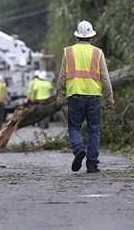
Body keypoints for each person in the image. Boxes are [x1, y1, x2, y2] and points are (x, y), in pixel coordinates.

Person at [55, 20, 114, 174]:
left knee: (74, 127)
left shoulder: (68, 52)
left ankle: (79, 148)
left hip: (74, 95)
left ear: (77, 36)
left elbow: (62, 77)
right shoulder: (97, 52)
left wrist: (60, 98)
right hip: (94, 95)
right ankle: (92, 165)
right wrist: (109, 99)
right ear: (91, 36)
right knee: (94, 130)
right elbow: (105, 78)